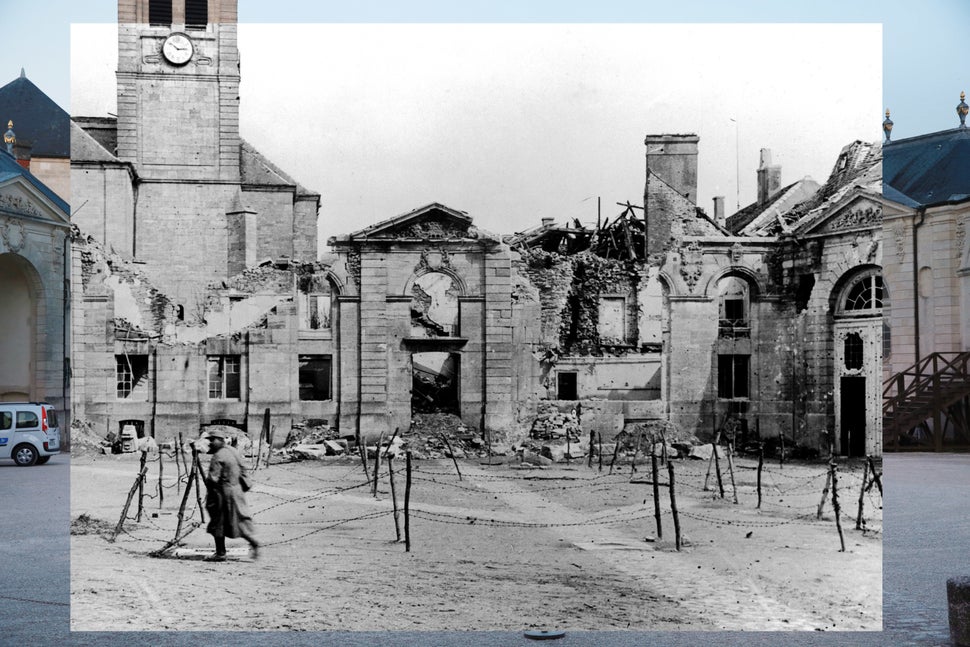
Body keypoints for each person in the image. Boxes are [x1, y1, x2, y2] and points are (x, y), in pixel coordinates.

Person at [203, 430, 259, 561]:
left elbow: (213, 479)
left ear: (220, 440)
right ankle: (253, 542)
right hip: (236, 491)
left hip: (222, 494)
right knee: (236, 522)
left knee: (218, 522)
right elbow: (243, 468)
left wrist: (210, 491)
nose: (210, 443)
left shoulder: (218, 456)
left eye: (213, 440)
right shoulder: (232, 450)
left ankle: (220, 553)